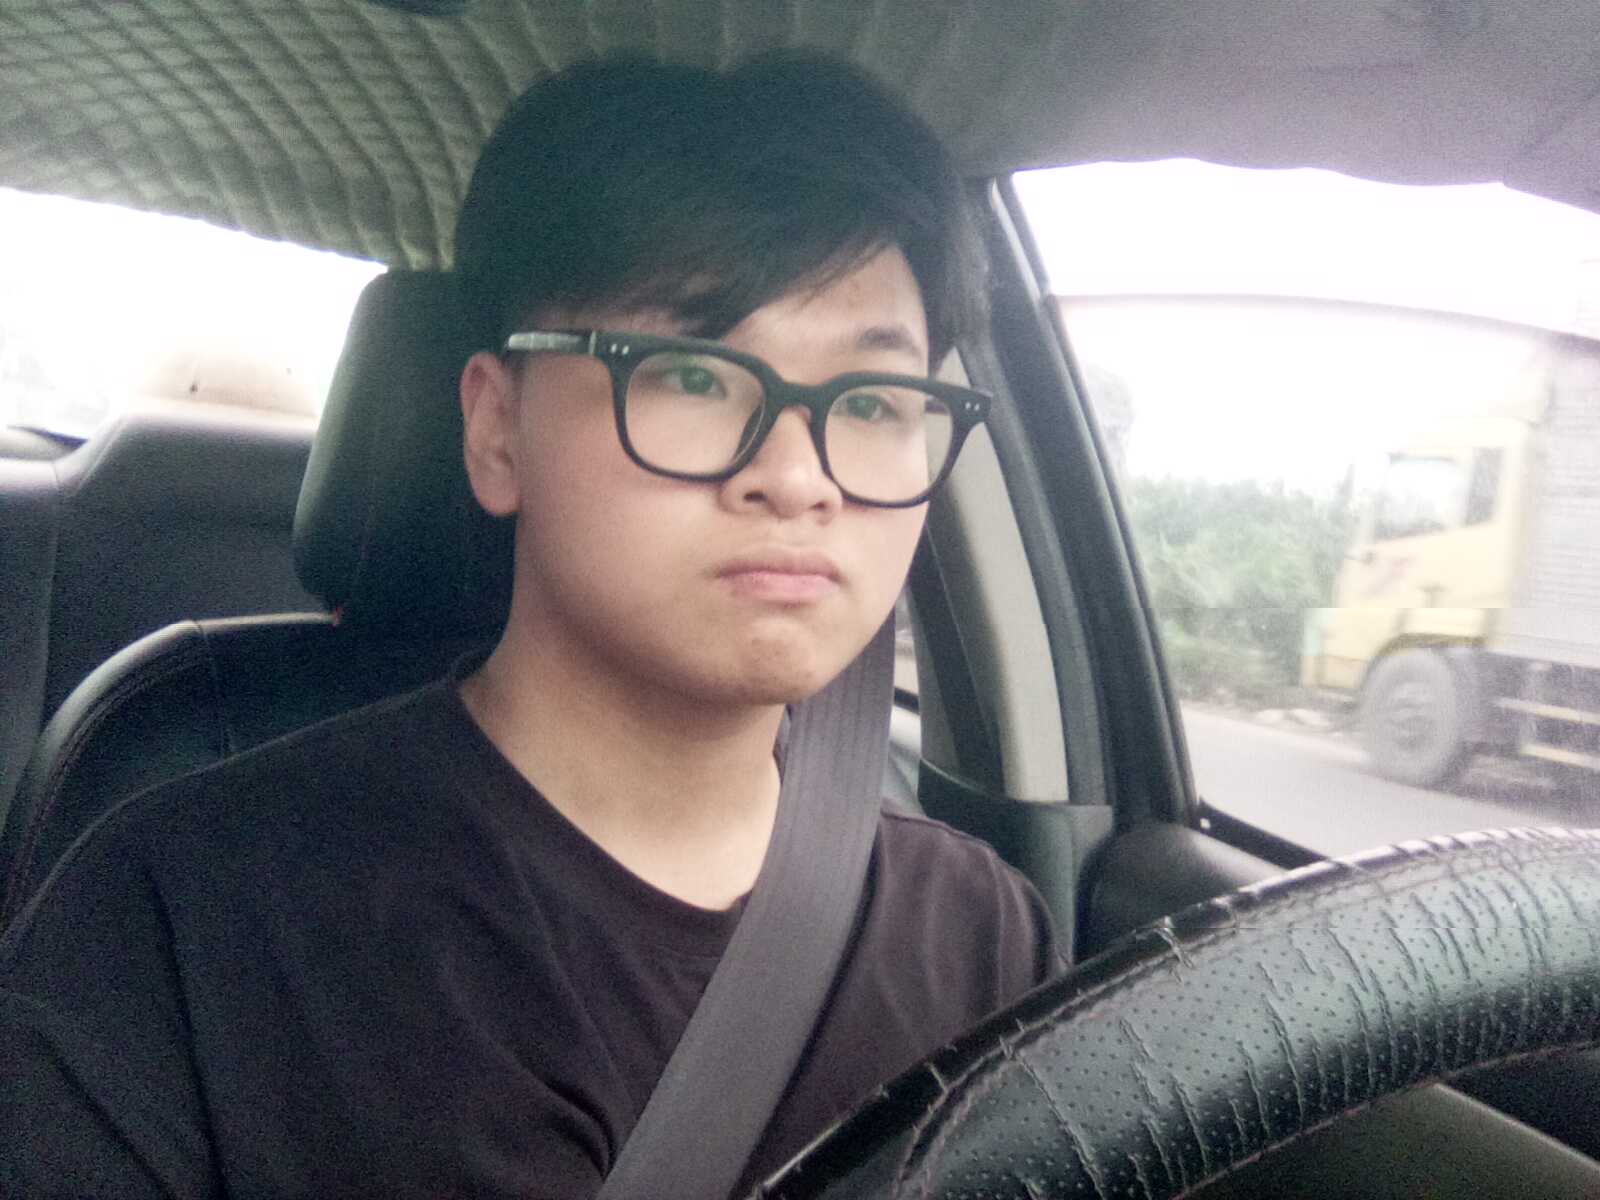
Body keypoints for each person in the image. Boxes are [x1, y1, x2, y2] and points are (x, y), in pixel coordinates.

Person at [0, 53, 1062, 1197]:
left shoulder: (987, 935)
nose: (799, 478)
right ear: (497, 432)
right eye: (693, 378)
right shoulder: (181, 917)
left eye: (873, 402)